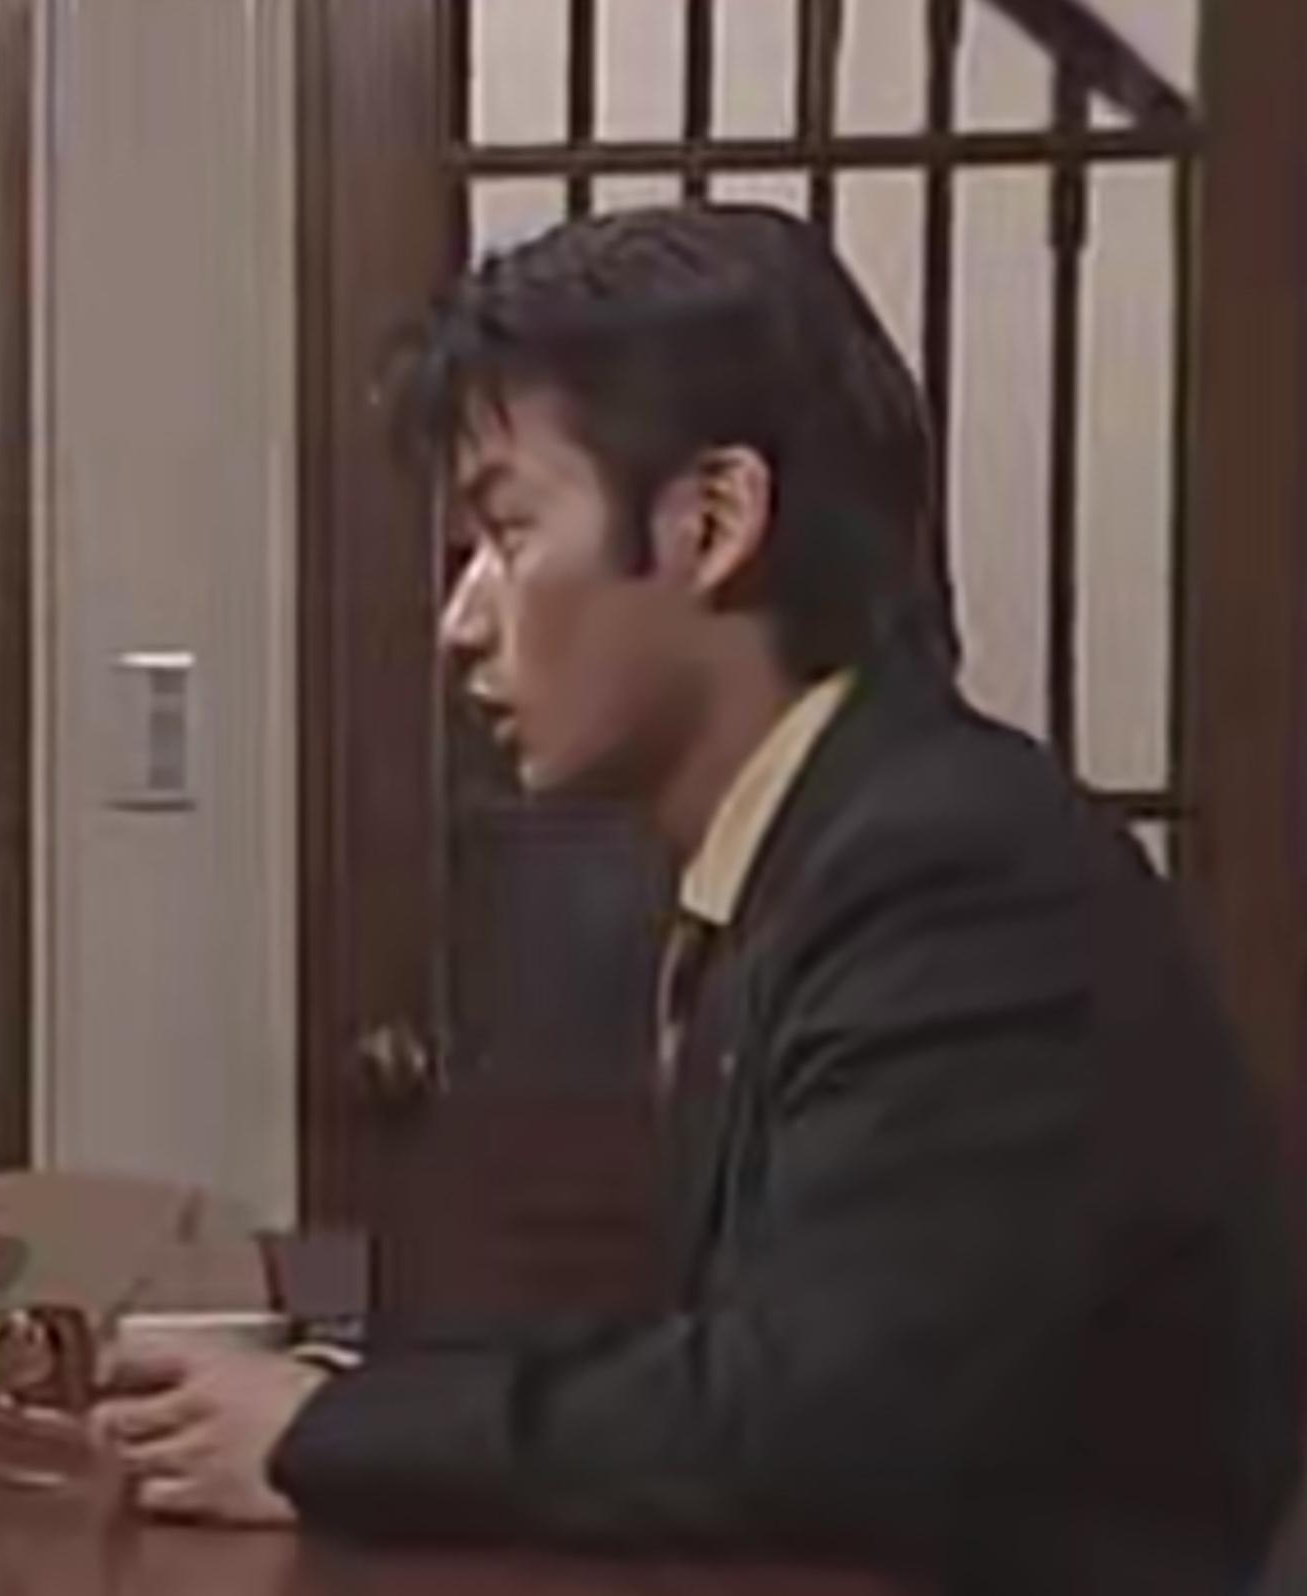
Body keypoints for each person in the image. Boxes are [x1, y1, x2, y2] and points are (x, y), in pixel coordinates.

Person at [88, 206, 1300, 1593]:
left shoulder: (951, 872)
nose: (460, 620)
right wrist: (328, 1394)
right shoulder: (809, 851)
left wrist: (323, 1435)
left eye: (506, 531)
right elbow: (713, 1366)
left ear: (712, 522)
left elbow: (805, 1423)